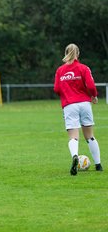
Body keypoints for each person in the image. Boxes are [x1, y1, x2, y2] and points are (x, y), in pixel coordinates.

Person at [54, 43, 103, 176]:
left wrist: (67, 93)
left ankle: (75, 156)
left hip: (70, 105)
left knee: (73, 137)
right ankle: (98, 165)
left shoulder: (60, 70)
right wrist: (93, 96)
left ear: (65, 53)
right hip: (85, 104)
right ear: (78, 54)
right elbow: (91, 85)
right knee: (90, 136)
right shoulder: (84, 68)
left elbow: (57, 89)